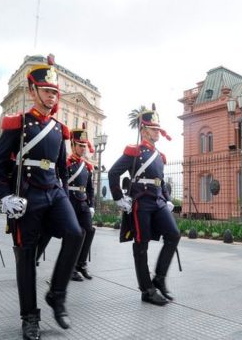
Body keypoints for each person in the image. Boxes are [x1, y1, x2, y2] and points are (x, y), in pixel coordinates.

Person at [0, 55, 84, 340]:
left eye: (55, 92)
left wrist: (65, 199)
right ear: (33, 92)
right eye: (47, 91)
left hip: (54, 192)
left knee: (76, 233)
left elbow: (60, 168)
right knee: (27, 255)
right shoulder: (17, 123)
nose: (52, 96)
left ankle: (56, 294)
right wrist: (6, 196)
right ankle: (29, 316)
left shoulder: (59, 129)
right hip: (28, 194)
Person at [108, 105, 181, 306]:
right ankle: (147, 289)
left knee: (173, 234)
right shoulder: (134, 151)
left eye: (158, 128)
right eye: (153, 128)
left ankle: (159, 278)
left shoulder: (160, 156)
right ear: (143, 130)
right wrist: (118, 198)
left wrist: (167, 199)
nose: (157, 131)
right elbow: (113, 173)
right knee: (142, 244)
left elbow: (162, 180)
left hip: (157, 201)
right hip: (141, 201)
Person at [66, 124, 96, 281]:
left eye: (85, 146)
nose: (83, 148)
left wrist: (91, 205)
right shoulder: (66, 163)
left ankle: (81, 264)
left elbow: (90, 188)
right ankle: (69, 268)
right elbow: (62, 183)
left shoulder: (87, 167)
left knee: (89, 230)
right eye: (80, 145)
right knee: (74, 234)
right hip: (70, 201)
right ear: (73, 144)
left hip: (83, 202)